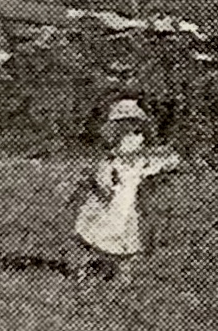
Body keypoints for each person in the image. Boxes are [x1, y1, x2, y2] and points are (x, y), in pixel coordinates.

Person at [63, 96, 183, 282]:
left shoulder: (140, 145)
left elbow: (154, 161)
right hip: (113, 190)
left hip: (127, 193)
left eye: (133, 123)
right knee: (98, 231)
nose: (130, 127)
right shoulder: (112, 147)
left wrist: (160, 162)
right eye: (124, 122)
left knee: (125, 233)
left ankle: (121, 273)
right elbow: (106, 167)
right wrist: (108, 180)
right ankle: (83, 269)